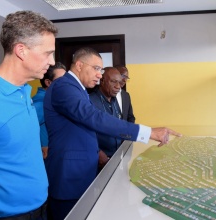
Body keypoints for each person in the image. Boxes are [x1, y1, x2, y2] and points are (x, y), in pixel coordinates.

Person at [44, 47, 181, 220]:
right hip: (68, 177)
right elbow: (94, 117)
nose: (100, 75)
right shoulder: (63, 86)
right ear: (79, 65)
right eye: (96, 68)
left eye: (101, 70)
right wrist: (148, 132)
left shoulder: (77, 89)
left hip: (81, 174)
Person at [0, 10, 58, 219]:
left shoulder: (24, 91)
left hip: (41, 207)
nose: (52, 61)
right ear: (21, 50)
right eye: (47, 53)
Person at [89, 67, 124, 169]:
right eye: (113, 82)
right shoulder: (90, 101)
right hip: (98, 160)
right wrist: (98, 152)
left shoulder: (114, 101)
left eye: (119, 82)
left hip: (116, 156)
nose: (118, 86)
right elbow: (84, 133)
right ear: (102, 81)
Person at [33, 62, 66, 159]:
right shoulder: (40, 105)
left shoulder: (55, 101)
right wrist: (41, 145)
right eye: (62, 81)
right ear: (48, 82)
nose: (67, 84)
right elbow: (23, 132)